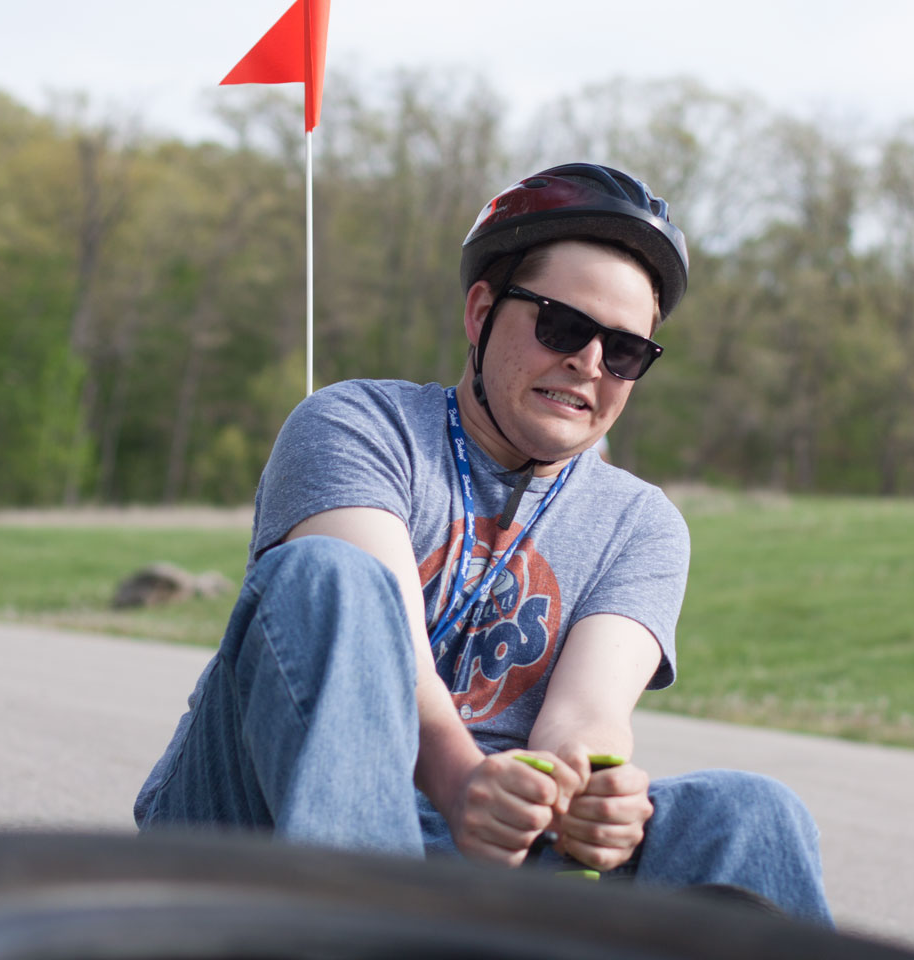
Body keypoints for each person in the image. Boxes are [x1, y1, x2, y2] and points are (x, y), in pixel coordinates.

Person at [134, 163, 831, 924]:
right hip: (257, 822)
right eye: (562, 326)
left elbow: (587, 715)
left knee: (755, 814)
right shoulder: (357, 425)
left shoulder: (642, 523)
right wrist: (462, 780)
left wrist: (592, 797)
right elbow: (369, 619)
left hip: (490, 853)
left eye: (626, 351)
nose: (589, 363)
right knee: (327, 574)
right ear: (481, 312)